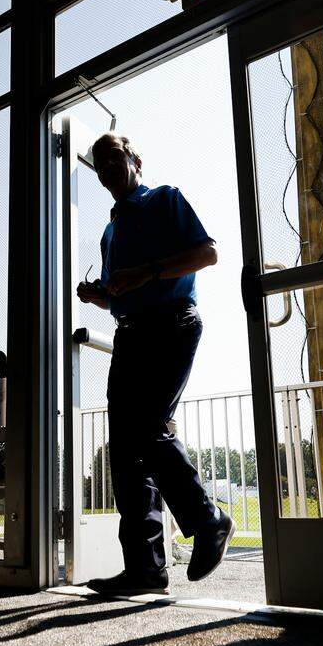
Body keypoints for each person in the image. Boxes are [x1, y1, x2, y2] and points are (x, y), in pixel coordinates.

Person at [76, 132, 234, 595]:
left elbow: (208, 252)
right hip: (132, 333)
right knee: (126, 449)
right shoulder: (110, 232)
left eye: (113, 158)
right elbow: (119, 295)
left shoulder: (165, 199)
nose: (106, 168)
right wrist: (99, 296)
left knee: (147, 425)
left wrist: (146, 272)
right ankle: (145, 569)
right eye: (99, 163)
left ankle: (209, 520)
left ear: (136, 160)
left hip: (170, 324)